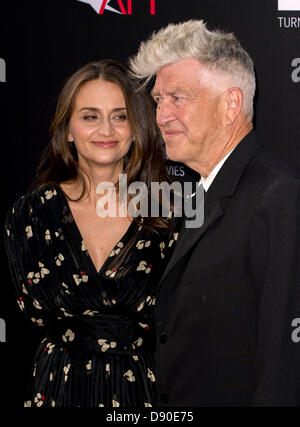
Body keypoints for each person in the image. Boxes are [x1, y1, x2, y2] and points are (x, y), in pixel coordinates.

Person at [130, 20, 300, 406]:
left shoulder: (278, 198)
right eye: (159, 100)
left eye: (178, 97)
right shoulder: (204, 195)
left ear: (231, 105)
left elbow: (284, 364)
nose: (160, 117)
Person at [4, 59, 178, 407]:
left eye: (119, 115)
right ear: (67, 130)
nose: (107, 130)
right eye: (90, 116)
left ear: (135, 128)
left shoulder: (168, 213)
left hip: (139, 390)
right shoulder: (30, 214)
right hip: (58, 387)